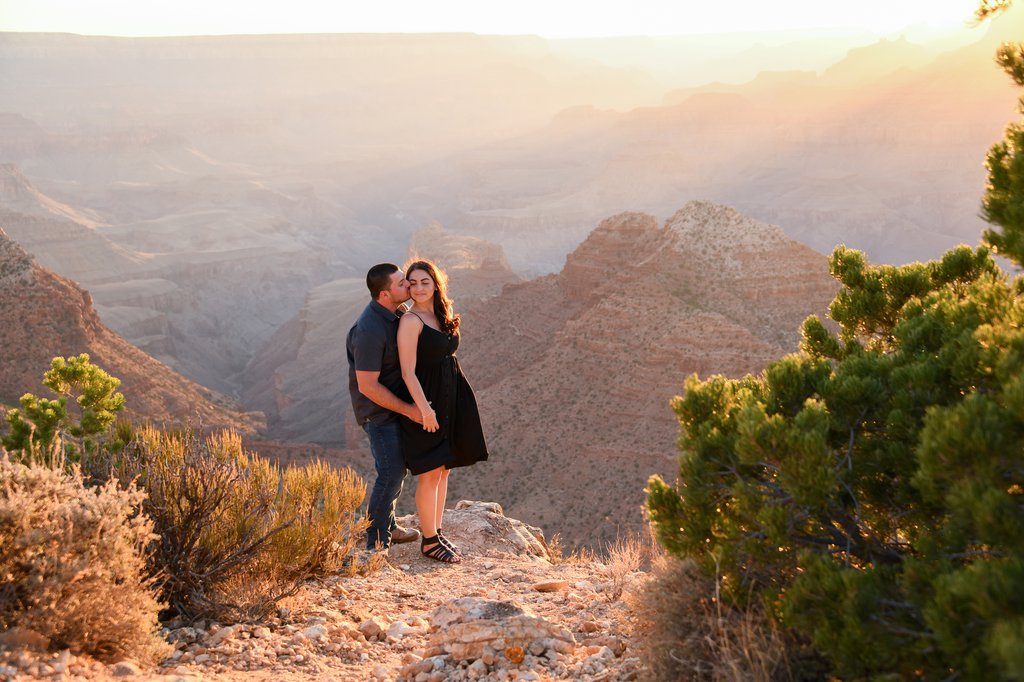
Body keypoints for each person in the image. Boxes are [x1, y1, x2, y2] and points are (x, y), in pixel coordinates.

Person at [397, 259, 489, 564]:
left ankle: (436, 529)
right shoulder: (411, 322)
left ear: (436, 284)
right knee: (429, 472)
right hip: (429, 401)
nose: (419, 288)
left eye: (425, 281)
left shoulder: (440, 314)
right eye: (413, 283)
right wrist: (425, 410)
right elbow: (408, 372)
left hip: (453, 397)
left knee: (444, 468)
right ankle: (429, 541)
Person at [347, 263, 424, 552]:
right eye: (403, 283)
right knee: (390, 472)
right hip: (377, 413)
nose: (409, 285)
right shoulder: (368, 330)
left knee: (397, 469)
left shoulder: (397, 313)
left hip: (394, 408)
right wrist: (408, 409)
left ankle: (388, 524)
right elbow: (367, 386)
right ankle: (377, 543)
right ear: (384, 293)